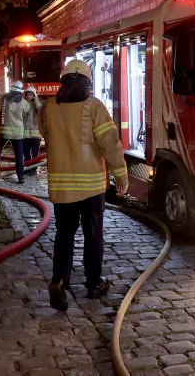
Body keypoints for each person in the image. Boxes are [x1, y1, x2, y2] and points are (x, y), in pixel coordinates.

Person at [39, 60, 128, 311]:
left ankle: (59, 280)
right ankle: (93, 283)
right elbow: (109, 143)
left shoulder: (48, 108)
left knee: (64, 235)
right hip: (91, 187)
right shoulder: (94, 107)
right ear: (88, 83)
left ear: (62, 81)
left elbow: (45, 133)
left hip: (62, 187)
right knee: (93, 235)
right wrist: (121, 175)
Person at [0, 80, 32, 184]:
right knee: (19, 156)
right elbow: (26, 114)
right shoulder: (24, 102)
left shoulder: (3, 98)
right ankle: (20, 177)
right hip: (17, 134)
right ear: (21, 91)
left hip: (3, 132)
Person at [23, 86, 41, 162]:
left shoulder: (37, 104)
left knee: (35, 154)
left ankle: (33, 169)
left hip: (36, 136)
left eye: (31, 94)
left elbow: (40, 109)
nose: (29, 96)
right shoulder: (23, 104)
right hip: (25, 135)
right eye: (27, 95)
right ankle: (27, 168)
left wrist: (36, 100)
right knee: (26, 153)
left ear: (34, 95)